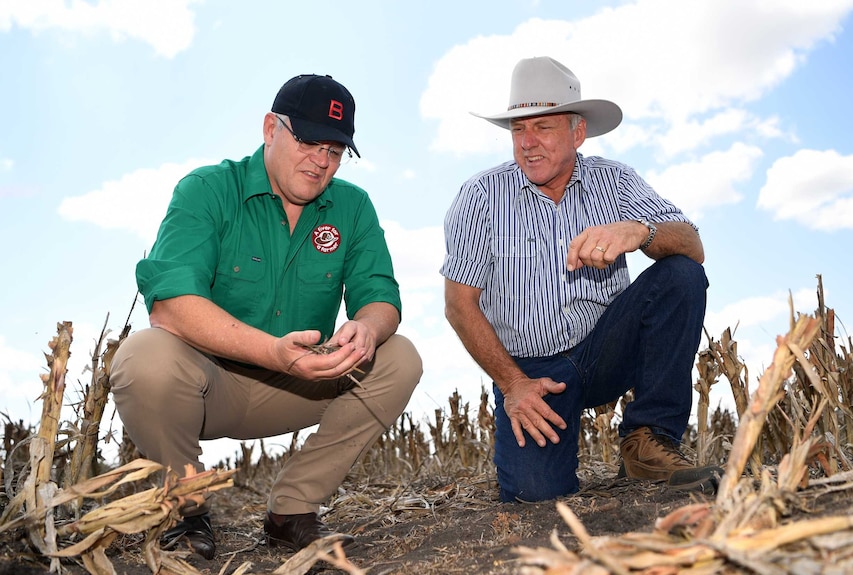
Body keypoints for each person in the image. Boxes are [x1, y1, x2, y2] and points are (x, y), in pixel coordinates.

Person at [111, 73, 423, 558]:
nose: (322, 161)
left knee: (398, 356)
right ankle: (184, 511)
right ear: (270, 128)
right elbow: (171, 305)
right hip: (208, 383)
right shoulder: (207, 189)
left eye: (336, 151)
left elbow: (381, 295)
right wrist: (273, 352)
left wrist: (368, 326)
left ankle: (292, 513)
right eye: (309, 141)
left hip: (300, 384)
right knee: (143, 357)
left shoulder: (354, 206)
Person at [441, 56, 722, 503]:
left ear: (577, 133)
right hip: (532, 372)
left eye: (543, 128)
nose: (528, 143)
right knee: (537, 496)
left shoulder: (616, 180)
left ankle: (647, 439)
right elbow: (459, 305)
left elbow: (693, 245)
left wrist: (639, 232)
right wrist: (513, 385)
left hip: (606, 348)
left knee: (681, 276)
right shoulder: (480, 196)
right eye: (518, 130)